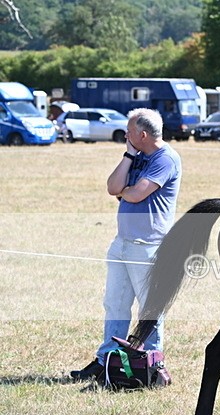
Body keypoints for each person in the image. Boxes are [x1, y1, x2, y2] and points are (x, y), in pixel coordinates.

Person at [71, 108, 182, 381]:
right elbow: (113, 187)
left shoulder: (166, 158)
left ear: (142, 135)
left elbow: (135, 195)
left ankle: (152, 365)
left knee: (149, 309)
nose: (125, 135)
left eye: (129, 131)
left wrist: (126, 193)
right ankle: (106, 359)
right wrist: (129, 155)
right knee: (115, 304)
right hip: (122, 243)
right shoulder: (138, 156)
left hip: (148, 246)